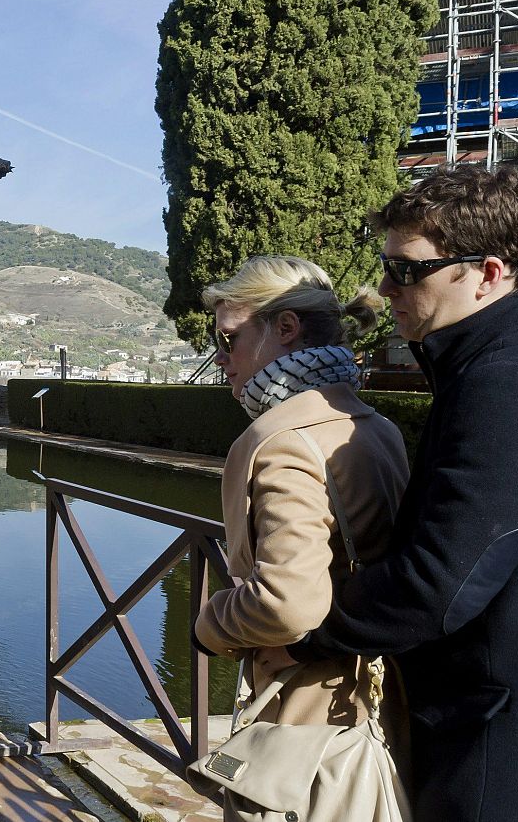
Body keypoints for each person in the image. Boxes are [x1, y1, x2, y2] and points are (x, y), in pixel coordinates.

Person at [275, 165, 518, 822]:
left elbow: (439, 583)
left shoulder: (514, 381)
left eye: (407, 269)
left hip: (507, 746)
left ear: (488, 273)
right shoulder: (517, 360)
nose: (386, 287)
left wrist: (299, 632)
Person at [191, 257, 409, 741]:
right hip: (377, 695)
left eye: (229, 339)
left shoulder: (283, 440)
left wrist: (209, 624)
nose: (221, 357)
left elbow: (287, 602)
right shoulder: (376, 427)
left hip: (309, 711)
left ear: (286, 328)